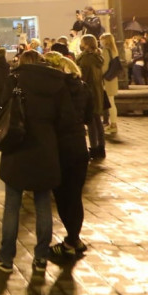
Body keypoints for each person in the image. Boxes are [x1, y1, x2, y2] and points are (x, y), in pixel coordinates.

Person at [0, 51, 67, 275]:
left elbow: (2, 110)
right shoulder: (57, 82)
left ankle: (6, 257)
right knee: (43, 204)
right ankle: (41, 257)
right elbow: (64, 119)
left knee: (12, 205)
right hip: (46, 148)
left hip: (17, 145)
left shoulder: (15, 79)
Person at [42, 53, 91, 259]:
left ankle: (71, 241)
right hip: (79, 145)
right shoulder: (82, 86)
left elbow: (50, 117)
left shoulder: (54, 90)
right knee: (75, 195)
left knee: (62, 196)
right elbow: (90, 115)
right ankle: (74, 238)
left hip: (60, 145)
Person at [75, 34, 107, 160]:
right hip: (98, 91)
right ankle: (101, 147)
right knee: (97, 121)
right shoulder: (97, 56)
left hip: (89, 92)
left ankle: (94, 148)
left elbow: (84, 76)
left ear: (86, 44)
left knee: (91, 122)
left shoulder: (86, 59)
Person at [99, 33, 121, 135]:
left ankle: (113, 125)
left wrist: (100, 76)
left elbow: (104, 67)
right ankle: (112, 124)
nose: (100, 41)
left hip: (107, 80)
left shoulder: (105, 50)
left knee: (110, 103)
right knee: (112, 102)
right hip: (112, 78)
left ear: (105, 40)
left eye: (101, 39)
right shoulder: (114, 50)